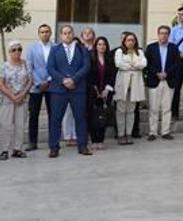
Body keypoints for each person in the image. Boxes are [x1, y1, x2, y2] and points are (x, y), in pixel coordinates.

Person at [47, 25, 91, 157]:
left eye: (69, 33)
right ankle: (54, 147)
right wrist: (63, 80)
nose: (67, 35)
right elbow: (50, 67)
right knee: (55, 119)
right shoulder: (55, 50)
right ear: (61, 35)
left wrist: (74, 80)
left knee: (80, 118)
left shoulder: (82, 49)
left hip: (78, 90)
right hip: (58, 90)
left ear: (73, 34)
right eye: (64, 33)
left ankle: (82, 145)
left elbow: (86, 66)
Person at [145, 26, 180, 141]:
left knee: (167, 108)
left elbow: (177, 64)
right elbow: (147, 64)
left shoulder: (174, 48)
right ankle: (152, 132)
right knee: (153, 108)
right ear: (158, 34)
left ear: (169, 35)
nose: (163, 35)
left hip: (168, 81)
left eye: (166, 33)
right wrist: (157, 73)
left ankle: (165, 131)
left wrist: (167, 73)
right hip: (154, 81)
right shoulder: (151, 48)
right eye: (161, 33)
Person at [0, 41, 32, 160]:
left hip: (22, 99)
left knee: (20, 124)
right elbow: (1, 84)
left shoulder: (26, 64)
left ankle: (17, 149)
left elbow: (30, 80)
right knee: (6, 125)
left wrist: (22, 94)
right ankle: (4, 150)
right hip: (7, 99)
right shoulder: (4, 66)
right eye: (14, 50)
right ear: (9, 52)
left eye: (19, 49)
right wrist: (12, 96)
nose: (17, 52)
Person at [114, 32, 147, 145]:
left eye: (132, 40)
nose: (130, 42)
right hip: (122, 84)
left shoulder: (140, 51)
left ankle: (129, 134)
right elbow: (119, 64)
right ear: (124, 41)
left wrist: (131, 65)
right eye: (128, 40)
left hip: (135, 85)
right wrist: (134, 66)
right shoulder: (119, 51)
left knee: (131, 111)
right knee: (121, 111)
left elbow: (143, 63)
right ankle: (120, 134)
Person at [26, 24, 54, 151]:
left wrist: (48, 81)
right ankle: (32, 142)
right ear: (39, 34)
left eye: (47, 31)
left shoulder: (56, 47)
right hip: (36, 87)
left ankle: (53, 141)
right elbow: (29, 68)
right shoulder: (32, 49)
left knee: (53, 114)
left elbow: (57, 67)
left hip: (52, 85)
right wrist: (38, 82)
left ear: (50, 33)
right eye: (42, 32)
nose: (45, 34)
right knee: (33, 115)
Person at [88, 37, 116, 150]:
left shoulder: (110, 58)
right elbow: (89, 75)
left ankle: (101, 140)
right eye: (99, 44)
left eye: (104, 44)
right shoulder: (91, 58)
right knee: (93, 116)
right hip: (93, 92)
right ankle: (94, 140)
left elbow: (113, 75)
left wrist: (107, 89)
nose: (101, 46)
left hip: (106, 92)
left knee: (103, 116)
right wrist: (95, 89)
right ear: (96, 46)